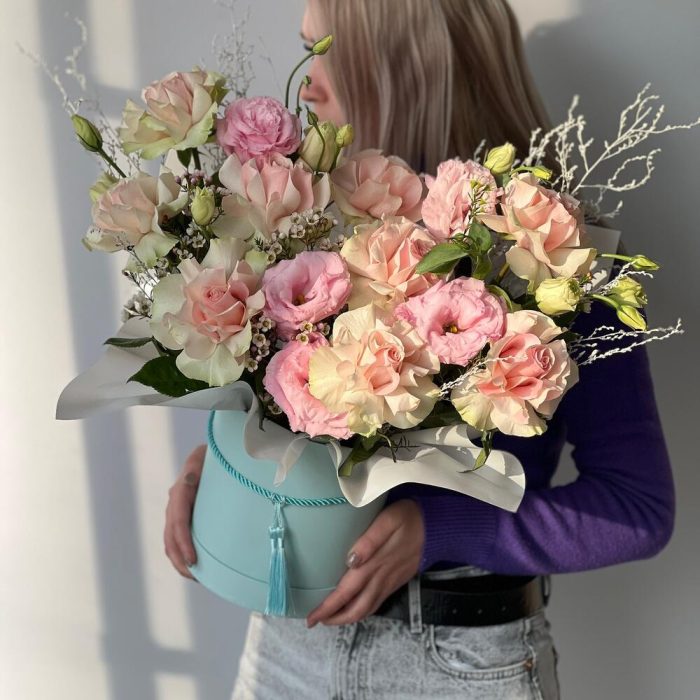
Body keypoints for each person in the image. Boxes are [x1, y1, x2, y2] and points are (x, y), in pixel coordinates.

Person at [163, 1, 676, 697]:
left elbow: (637, 508)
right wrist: (224, 472)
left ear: (398, 67)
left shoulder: (561, 257)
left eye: (326, 53)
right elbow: (289, 426)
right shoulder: (299, 222)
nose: (305, 84)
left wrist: (444, 528)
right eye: (305, 48)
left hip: (465, 663)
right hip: (289, 650)